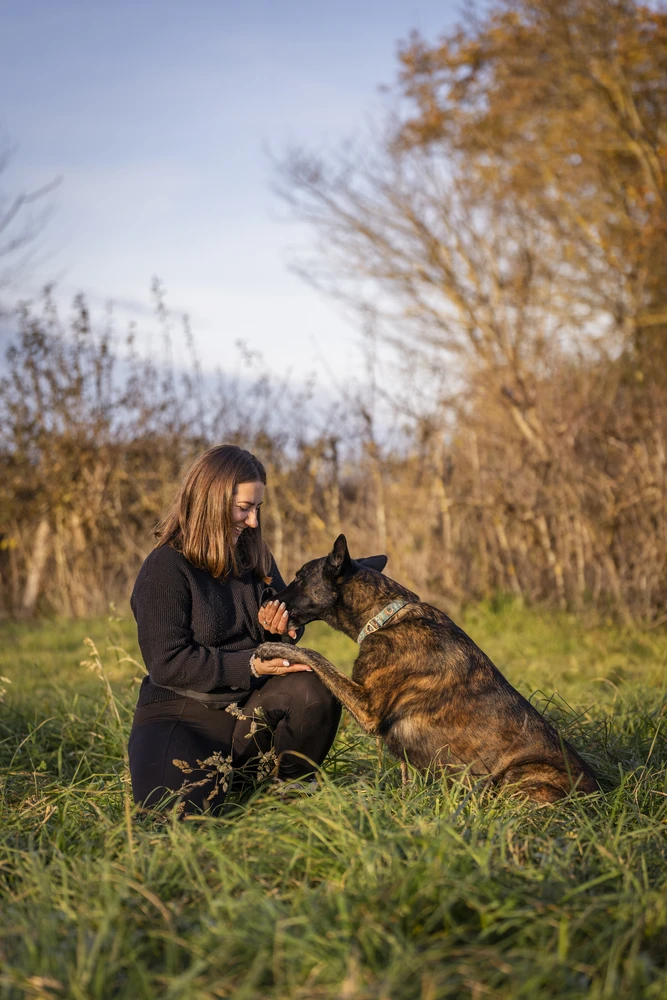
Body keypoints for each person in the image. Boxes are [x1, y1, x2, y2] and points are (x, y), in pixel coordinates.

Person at [128, 444, 341, 814]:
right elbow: (167, 663)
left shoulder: (254, 554)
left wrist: (282, 630)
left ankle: (289, 794)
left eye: (257, 508)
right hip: (181, 716)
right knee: (182, 821)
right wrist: (252, 666)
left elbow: (278, 629)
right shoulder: (165, 567)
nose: (253, 521)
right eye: (244, 508)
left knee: (315, 684)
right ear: (210, 500)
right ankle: (219, 784)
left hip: (245, 713)